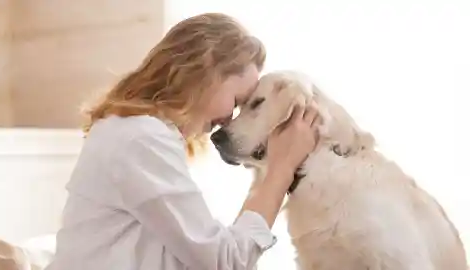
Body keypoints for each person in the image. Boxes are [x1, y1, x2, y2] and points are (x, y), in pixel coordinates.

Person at [45, 12, 321, 270]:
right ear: (206, 73)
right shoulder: (140, 139)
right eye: (236, 102)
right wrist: (280, 171)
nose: (228, 120)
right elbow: (224, 261)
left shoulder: (130, 131)